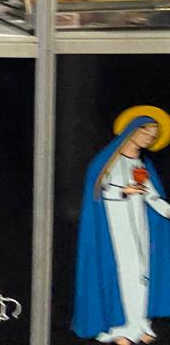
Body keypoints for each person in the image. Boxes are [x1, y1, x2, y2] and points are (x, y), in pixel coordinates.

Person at [73, 108, 170, 344]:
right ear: (132, 131)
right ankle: (118, 329)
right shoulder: (109, 162)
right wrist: (124, 191)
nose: (150, 138)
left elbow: (151, 196)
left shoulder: (140, 165)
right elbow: (99, 192)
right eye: (146, 132)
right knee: (122, 275)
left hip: (140, 228)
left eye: (154, 135)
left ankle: (139, 324)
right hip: (115, 230)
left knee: (141, 274)